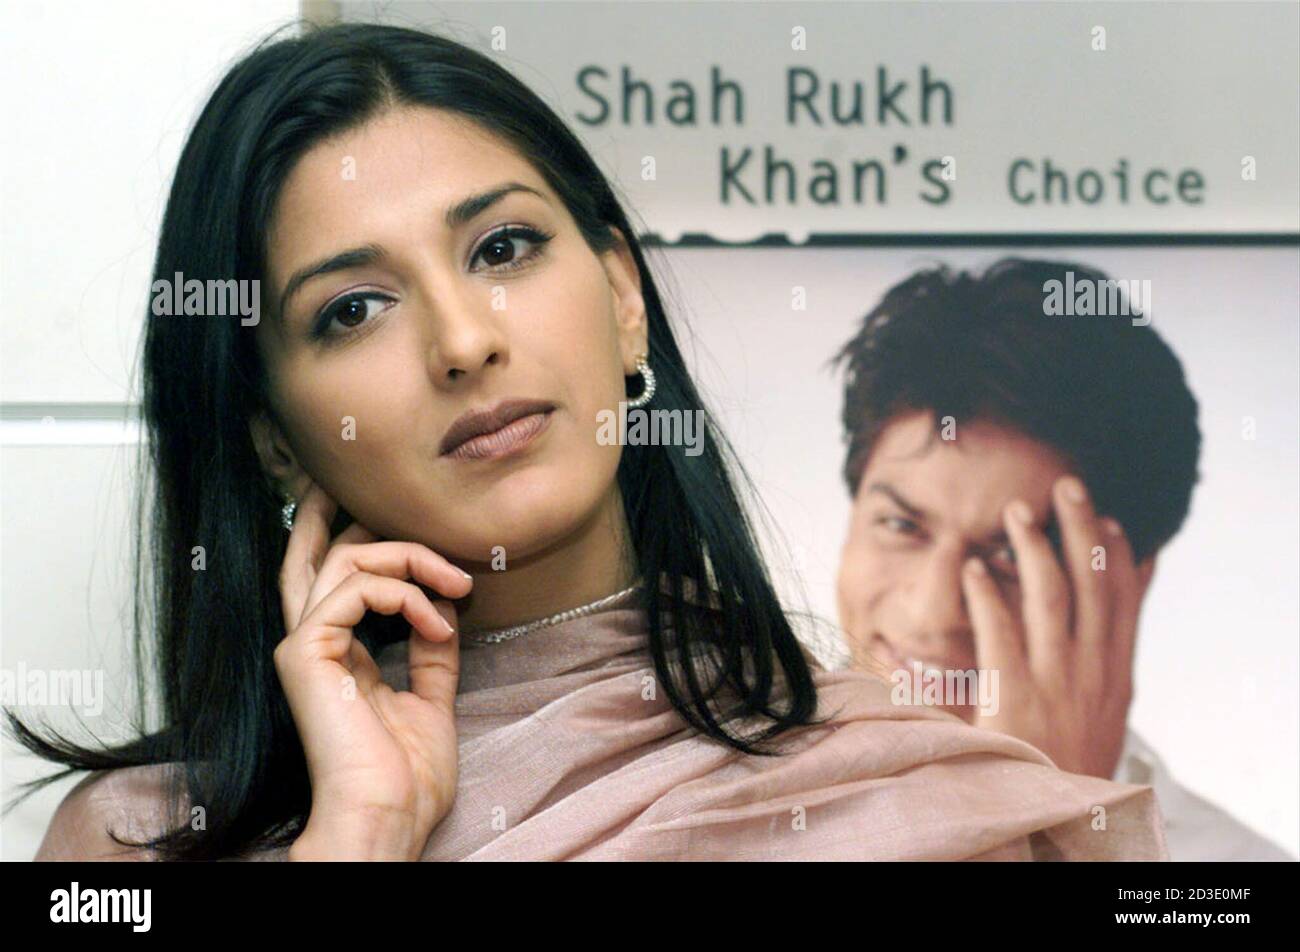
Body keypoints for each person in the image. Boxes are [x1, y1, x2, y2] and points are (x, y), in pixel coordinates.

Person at [10, 24, 1164, 861]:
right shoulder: (132, 844)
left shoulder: (918, 805)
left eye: (503, 248)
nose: (463, 341)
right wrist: (360, 832)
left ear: (621, 297)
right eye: (354, 308)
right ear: (273, 437)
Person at [832, 257, 1292, 861]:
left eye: (1009, 557)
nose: (934, 612)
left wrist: (1056, 823)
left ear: (1128, 580)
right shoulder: (725, 809)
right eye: (902, 525)